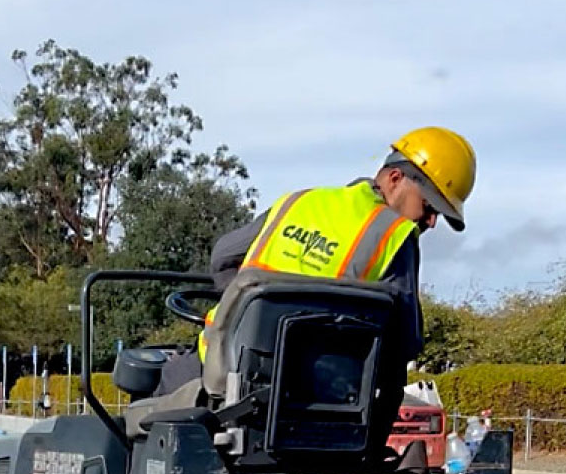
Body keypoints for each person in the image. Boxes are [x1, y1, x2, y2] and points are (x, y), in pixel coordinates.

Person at [159, 127, 475, 401]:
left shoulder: (299, 202)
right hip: (323, 402)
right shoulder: (395, 235)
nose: (431, 222)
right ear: (395, 179)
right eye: (429, 206)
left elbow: (223, 260)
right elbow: (405, 343)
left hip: (222, 376)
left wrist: (252, 308)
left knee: (150, 390)